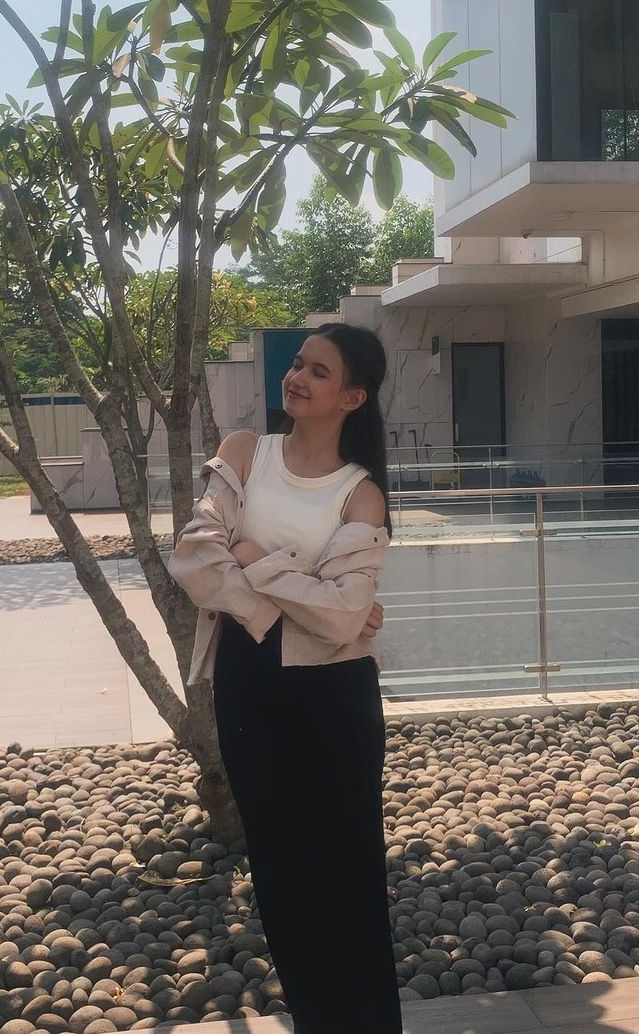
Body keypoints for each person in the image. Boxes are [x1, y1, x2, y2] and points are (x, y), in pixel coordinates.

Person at [168, 322, 401, 1034]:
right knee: (279, 866)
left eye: (319, 371)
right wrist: (298, 597)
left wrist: (251, 555)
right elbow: (195, 560)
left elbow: (343, 616)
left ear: (354, 396)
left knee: (349, 867)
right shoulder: (245, 452)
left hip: (336, 697)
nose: (296, 377)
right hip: (250, 687)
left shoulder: (361, 494)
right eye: (298, 364)